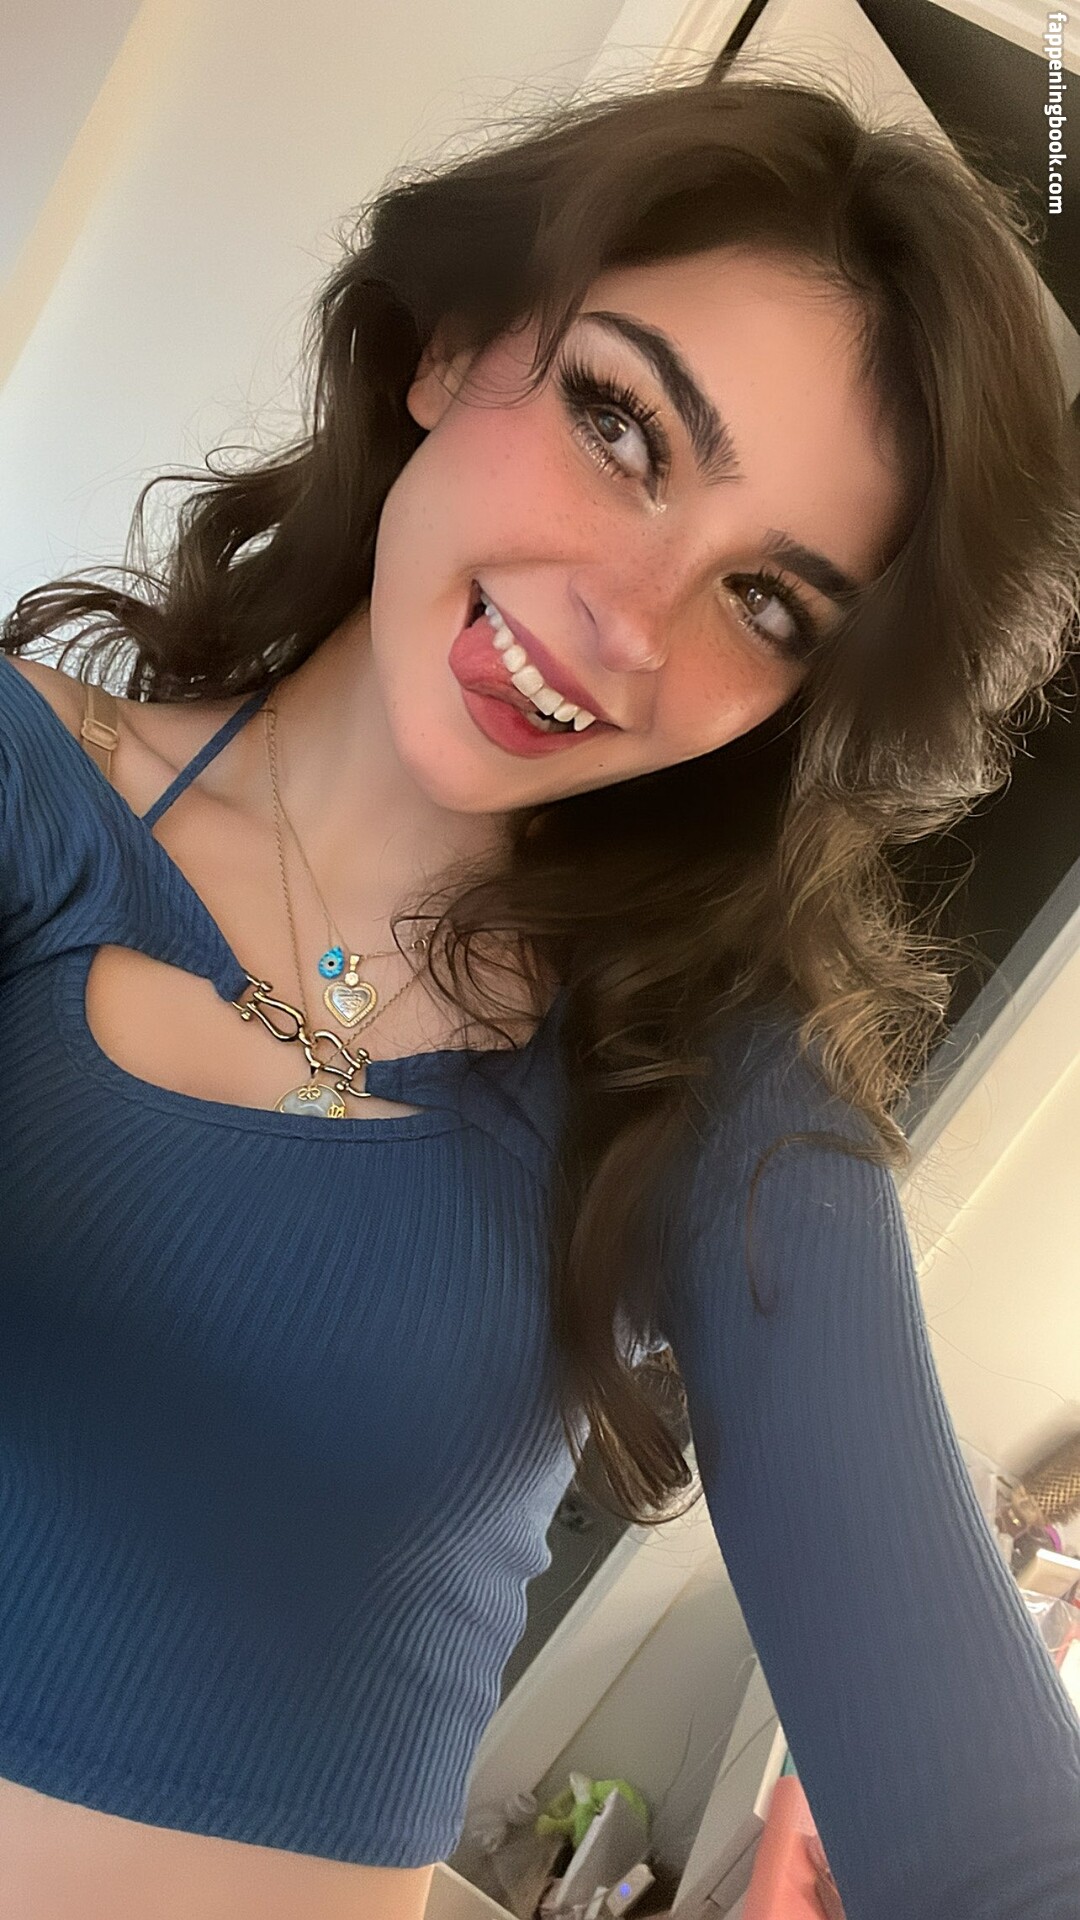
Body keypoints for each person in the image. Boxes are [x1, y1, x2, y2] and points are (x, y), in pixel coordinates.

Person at [1, 62, 1078, 1920]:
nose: (627, 623)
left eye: (769, 604)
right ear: (450, 346)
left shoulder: (710, 1096)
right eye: (622, 428)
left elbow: (1001, 1846)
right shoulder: (34, 796)